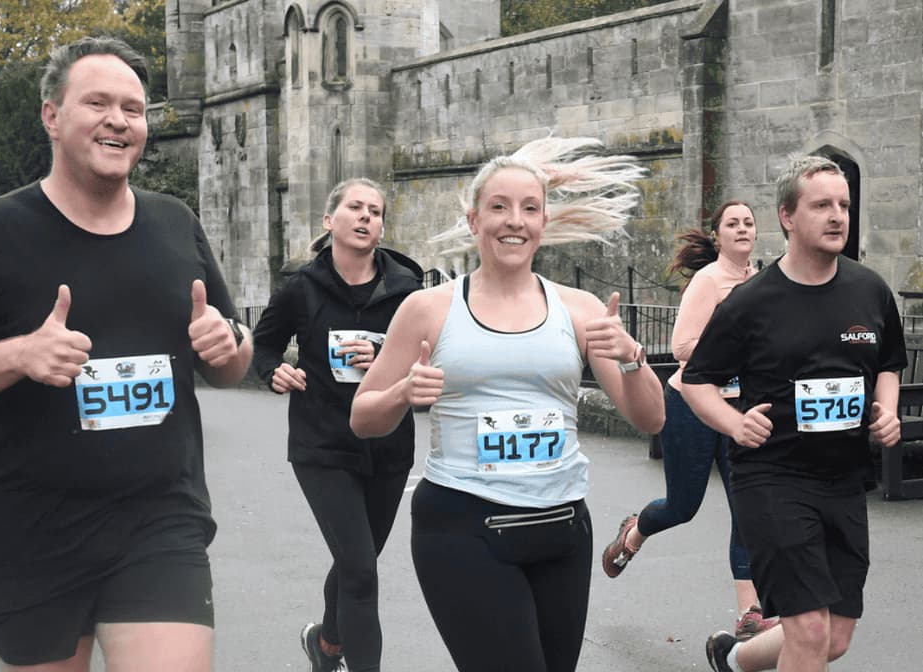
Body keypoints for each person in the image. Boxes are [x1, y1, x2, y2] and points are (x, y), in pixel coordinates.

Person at [0, 36, 252, 671]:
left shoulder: (176, 224)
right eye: (98, 102)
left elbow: (230, 363)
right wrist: (19, 355)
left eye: (135, 108)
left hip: (159, 520)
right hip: (29, 528)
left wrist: (228, 343)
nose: (119, 120)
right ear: (52, 116)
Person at [350, 138, 665, 672]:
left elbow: (651, 418)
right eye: (498, 207)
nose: (513, 221)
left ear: (544, 223)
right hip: (462, 527)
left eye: (529, 208)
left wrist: (632, 356)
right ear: (474, 220)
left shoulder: (582, 309)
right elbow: (363, 417)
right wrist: (404, 393)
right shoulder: (428, 309)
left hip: (563, 525)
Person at [678, 156, 905, 672]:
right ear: (787, 216)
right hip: (773, 478)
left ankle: (733, 660)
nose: (837, 216)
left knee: (835, 638)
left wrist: (886, 411)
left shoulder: (869, 289)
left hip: (846, 480)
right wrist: (734, 423)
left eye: (843, 205)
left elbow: (890, 362)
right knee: (807, 629)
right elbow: (697, 381)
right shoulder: (750, 303)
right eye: (821, 205)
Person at [251, 178, 423, 672]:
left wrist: (386, 354)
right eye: (356, 207)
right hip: (322, 446)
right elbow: (264, 345)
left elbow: (433, 353)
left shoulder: (406, 291)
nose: (367, 216)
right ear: (330, 221)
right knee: (362, 571)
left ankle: (326, 646)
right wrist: (271, 371)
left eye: (375, 210)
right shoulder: (301, 290)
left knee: (357, 562)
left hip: (389, 446)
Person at [601, 200, 778, 639]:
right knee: (683, 506)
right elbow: (682, 348)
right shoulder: (707, 280)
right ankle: (633, 533)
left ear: (756, 233)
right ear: (718, 236)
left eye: (748, 223)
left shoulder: (763, 283)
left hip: (740, 409)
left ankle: (749, 612)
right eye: (732, 223)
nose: (742, 229)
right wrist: (738, 351)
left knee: (747, 507)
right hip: (692, 405)